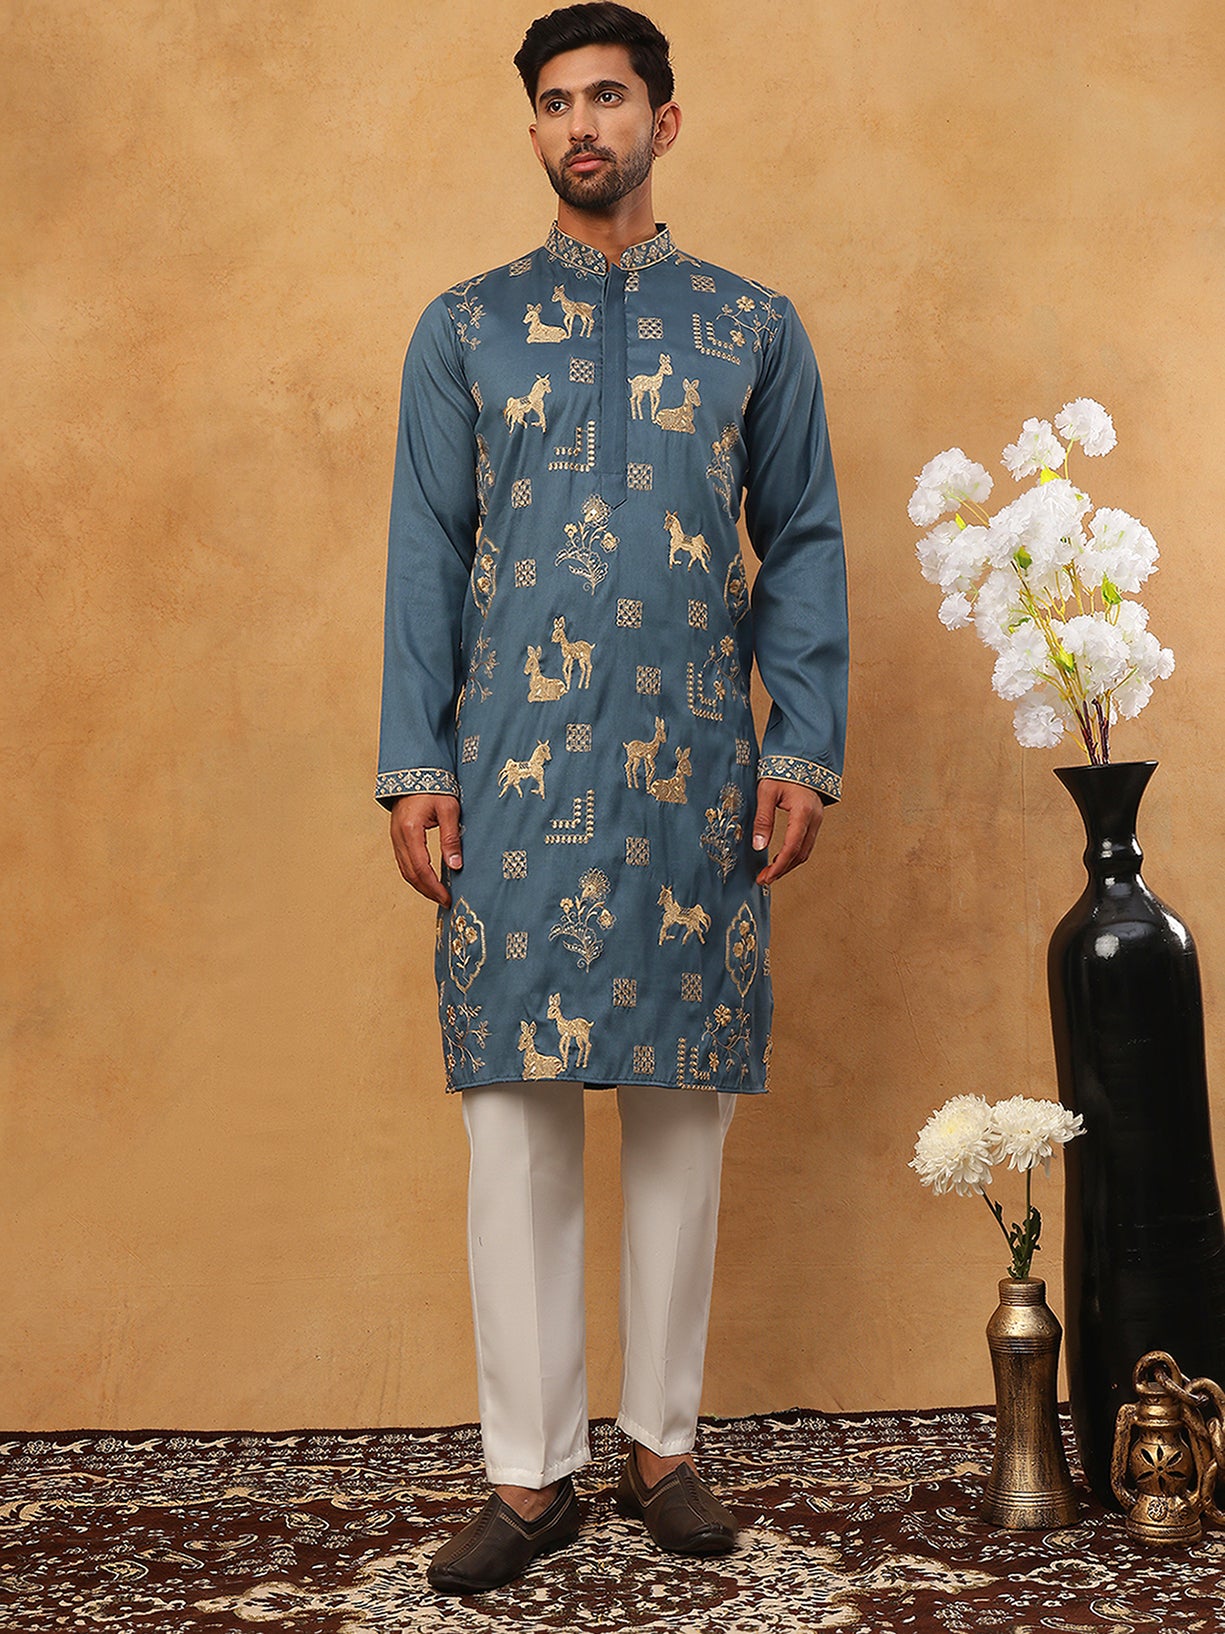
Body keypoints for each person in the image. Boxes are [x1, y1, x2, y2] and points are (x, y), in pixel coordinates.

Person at [376, 2, 848, 1595]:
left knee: (675, 1113)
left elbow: (803, 538)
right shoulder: (464, 329)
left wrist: (798, 746)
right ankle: (528, 1475)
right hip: (509, 770)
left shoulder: (749, 328)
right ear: (532, 130)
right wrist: (416, 764)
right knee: (513, 1116)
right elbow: (425, 557)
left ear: (663, 119)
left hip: (691, 772)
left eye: (610, 96)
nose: (583, 124)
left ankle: (662, 1448)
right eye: (557, 102)